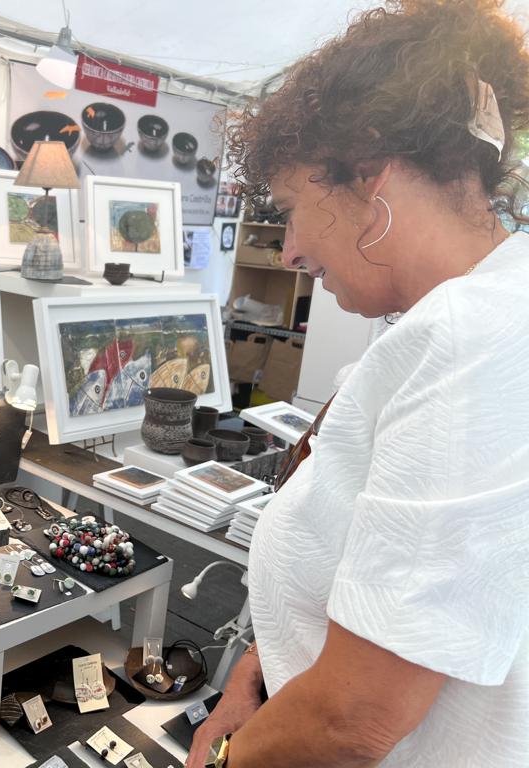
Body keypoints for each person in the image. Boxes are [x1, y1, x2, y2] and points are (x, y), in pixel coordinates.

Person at [186, 1, 529, 766]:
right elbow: (382, 586)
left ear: (369, 174)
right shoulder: (465, 322)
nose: (292, 251)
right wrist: (258, 673)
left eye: (290, 210)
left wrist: (226, 761)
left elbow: (355, 719)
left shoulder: (476, 335)